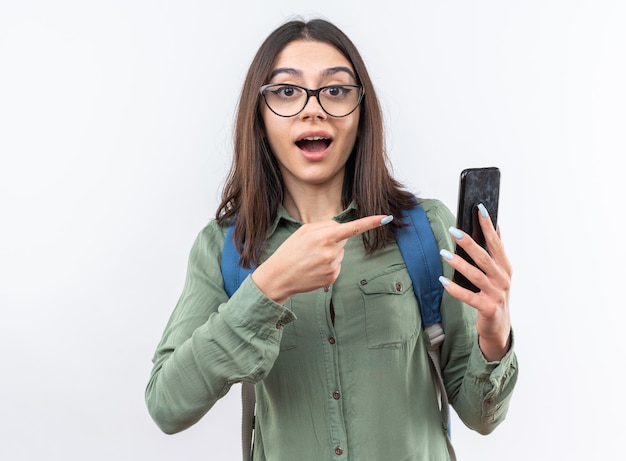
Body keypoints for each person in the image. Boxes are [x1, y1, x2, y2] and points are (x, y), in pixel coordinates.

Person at [145, 17, 518, 461]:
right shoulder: (225, 248)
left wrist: (495, 333)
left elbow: (481, 415)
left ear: (361, 116)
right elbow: (166, 406)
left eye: (336, 90)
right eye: (286, 91)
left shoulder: (425, 229)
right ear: (260, 118)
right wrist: (269, 287)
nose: (312, 108)